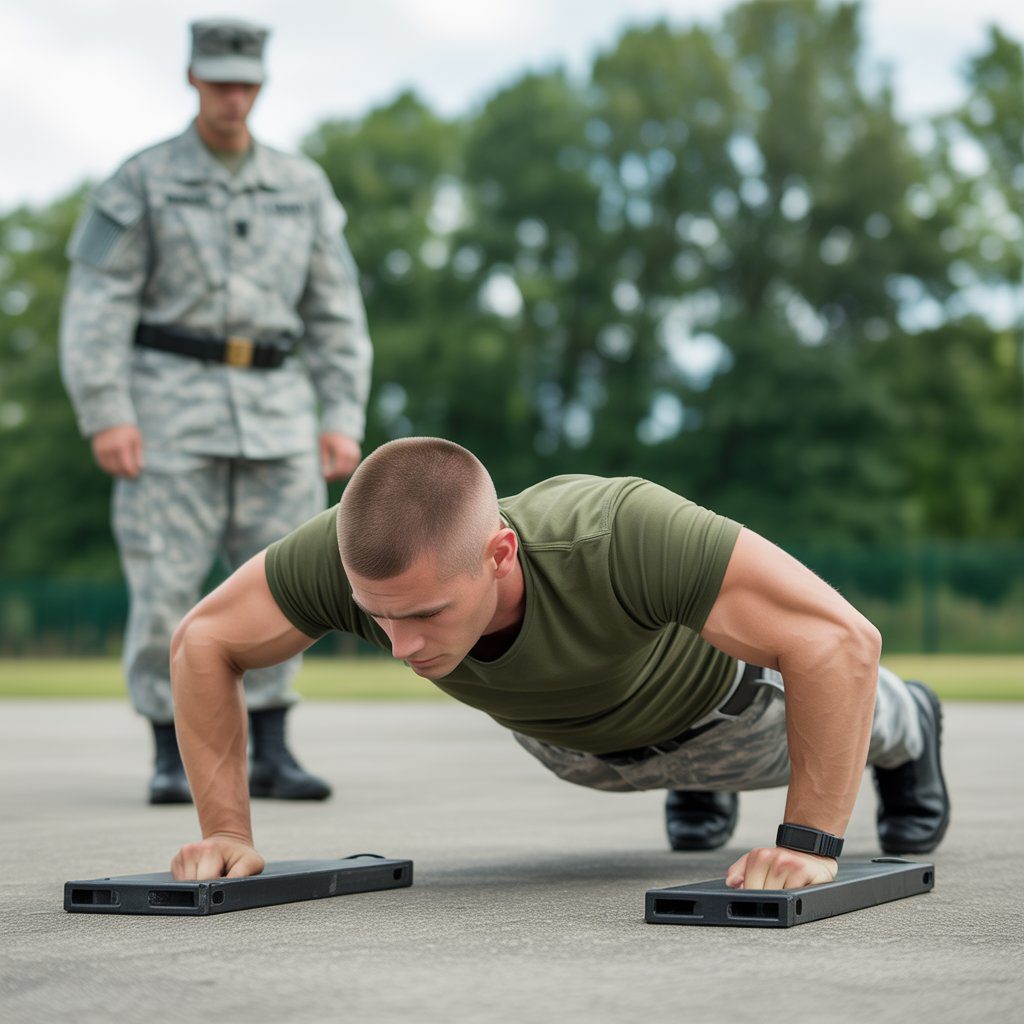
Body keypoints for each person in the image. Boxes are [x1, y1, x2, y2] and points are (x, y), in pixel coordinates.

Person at [167, 438, 949, 890]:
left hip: (739, 723)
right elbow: (203, 640)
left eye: (426, 615)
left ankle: (914, 727)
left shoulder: (616, 531)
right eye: (377, 618)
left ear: (499, 553)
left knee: (861, 701)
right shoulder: (358, 557)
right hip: (578, 753)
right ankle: (691, 787)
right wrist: (226, 832)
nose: (400, 649)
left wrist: (810, 846)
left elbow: (839, 640)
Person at [59, 18, 373, 805]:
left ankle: (270, 746)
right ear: (193, 80)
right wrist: (106, 410)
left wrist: (343, 415)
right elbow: (96, 303)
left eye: (244, 82)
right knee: (165, 581)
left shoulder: (301, 187)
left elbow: (337, 311)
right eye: (218, 80)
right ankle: (171, 751)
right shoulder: (142, 181)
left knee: (286, 581)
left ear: (260, 85)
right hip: (168, 407)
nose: (232, 95)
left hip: (277, 409)